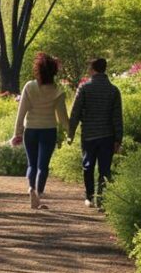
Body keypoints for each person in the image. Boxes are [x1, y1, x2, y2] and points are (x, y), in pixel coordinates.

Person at [11, 52, 69, 209]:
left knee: (32, 164)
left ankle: (31, 188)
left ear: (38, 70)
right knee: (43, 166)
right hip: (49, 130)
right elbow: (62, 117)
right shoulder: (57, 90)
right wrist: (70, 132)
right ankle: (38, 194)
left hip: (31, 130)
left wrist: (17, 133)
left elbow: (21, 112)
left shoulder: (29, 87)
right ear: (54, 72)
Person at [67, 57, 124, 209]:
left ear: (93, 70)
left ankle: (89, 196)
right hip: (108, 136)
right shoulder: (113, 90)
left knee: (88, 166)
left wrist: (70, 133)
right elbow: (117, 116)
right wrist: (118, 138)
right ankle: (102, 200)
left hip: (89, 135)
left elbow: (75, 113)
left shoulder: (84, 88)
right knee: (105, 169)